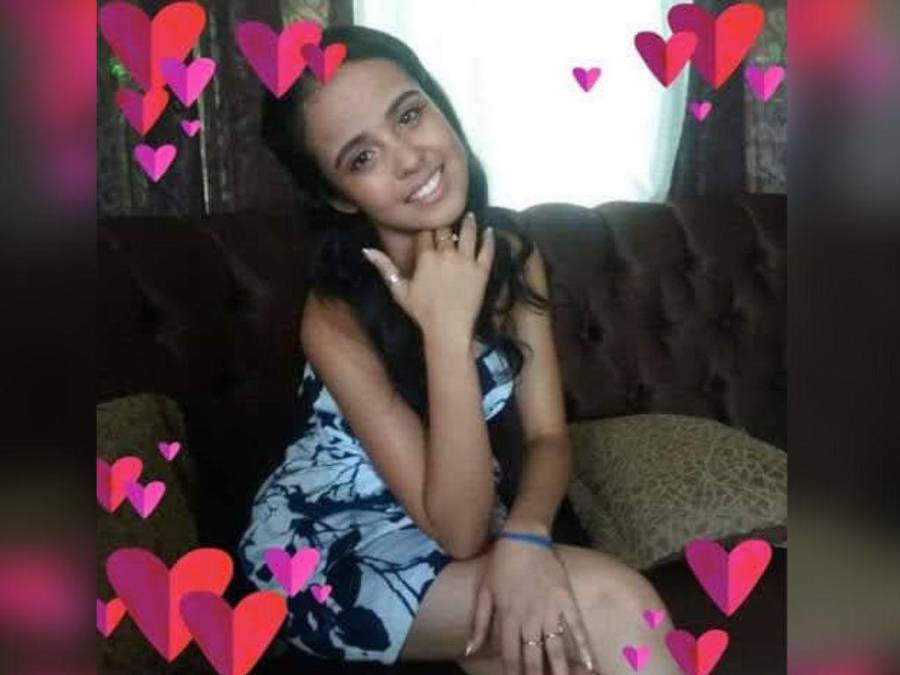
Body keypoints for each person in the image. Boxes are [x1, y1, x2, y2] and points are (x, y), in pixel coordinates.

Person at [238, 24, 678, 675]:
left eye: (409, 115)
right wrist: (445, 333)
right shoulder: (334, 316)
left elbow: (548, 439)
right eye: (363, 157)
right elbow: (460, 530)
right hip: (326, 546)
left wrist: (527, 536)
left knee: (558, 651)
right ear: (337, 195)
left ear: (439, 105)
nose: (411, 159)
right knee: (616, 605)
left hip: (460, 511)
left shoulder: (513, 255)